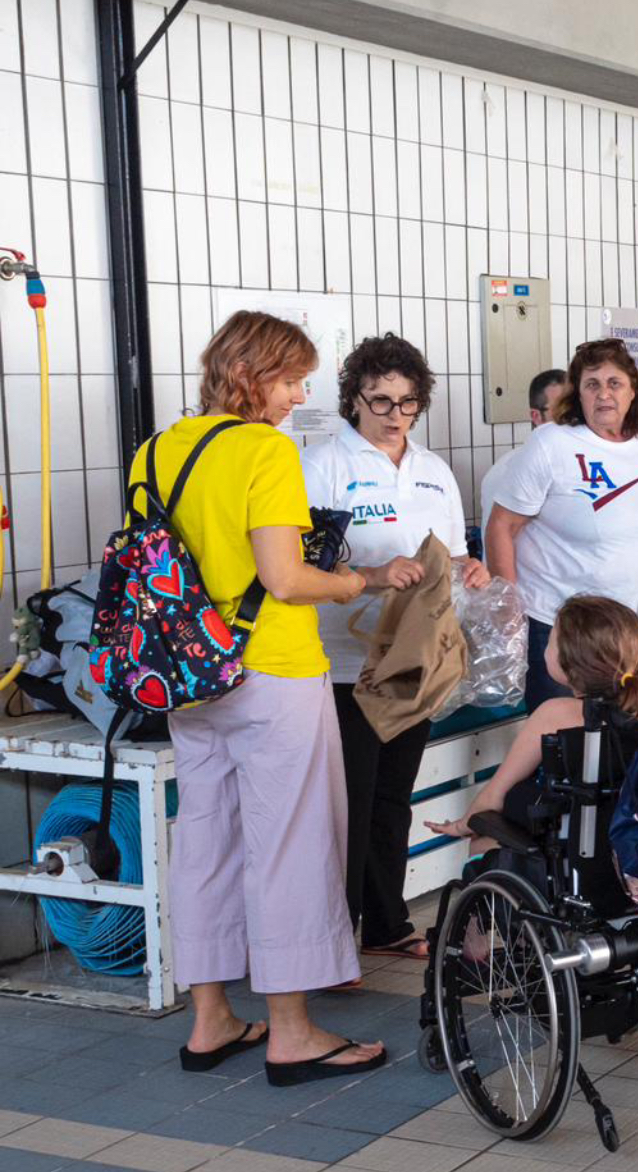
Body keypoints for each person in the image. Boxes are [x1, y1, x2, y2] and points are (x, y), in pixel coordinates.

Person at [151, 311, 382, 1084]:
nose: (299, 396)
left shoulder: (159, 448)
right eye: (290, 379)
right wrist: (356, 581)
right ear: (251, 374)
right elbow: (285, 578)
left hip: (187, 675)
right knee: (290, 845)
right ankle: (291, 1032)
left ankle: (211, 1019)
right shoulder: (265, 450)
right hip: (271, 670)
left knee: (205, 841)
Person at [301, 333, 490, 965]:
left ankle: (385, 924)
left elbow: (454, 555)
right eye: (380, 401)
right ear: (353, 398)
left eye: (407, 403)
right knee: (346, 805)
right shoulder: (323, 465)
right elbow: (299, 566)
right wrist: (376, 574)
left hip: (413, 662)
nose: (394, 415)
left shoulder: (433, 471)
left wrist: (470, 571)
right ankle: (332, 940)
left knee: (390, 799)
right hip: (344, 665)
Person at [485, 338, 638, 707]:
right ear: (577, 394)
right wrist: (509, 610)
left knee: (627, 734)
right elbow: (501, 526)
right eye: (592, 384)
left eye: (614, 383)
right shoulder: (552, 443)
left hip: (632, 627)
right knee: (565, 736)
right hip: (563, 631)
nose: (603, 394)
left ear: (633, 391)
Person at [424, 594, 638, 886]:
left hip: (567, 855)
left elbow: (494, 796)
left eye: (552, 639)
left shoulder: (554, 714)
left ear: (569, 663)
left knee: (482, 838)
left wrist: (461, 826)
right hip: (631, 854)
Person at [478, 368, 568, 533]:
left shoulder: (586, 460)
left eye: (576, 409)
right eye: (561, 412)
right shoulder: (508, 471)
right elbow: (497, 537)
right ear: (536, 417)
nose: (572, 419)